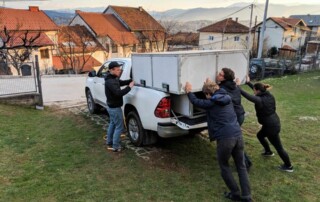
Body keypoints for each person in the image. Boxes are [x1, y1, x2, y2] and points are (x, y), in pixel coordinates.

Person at [185, 81, 252, 202]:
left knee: (224, 165)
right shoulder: (227, 97)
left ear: (208, 94)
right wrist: (208, 83)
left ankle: (235, 193)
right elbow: (215, 91)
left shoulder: (212, 102)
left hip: (225, 139)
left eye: (206, 94)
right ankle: (247, 196)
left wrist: (189, 91)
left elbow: (196, 102)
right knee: (241, 166)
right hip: (238, 135)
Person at [237, 76, 293, 172]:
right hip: (273, 122)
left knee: (279, 147)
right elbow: (257, 91)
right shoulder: (268, 95)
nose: (253, 92)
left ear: (257, 90)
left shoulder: (259, 100)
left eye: (254, 90)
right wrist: (249, 83)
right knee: (260, 135)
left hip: (271, 127)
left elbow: (248, 96)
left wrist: (238, 87)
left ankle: (289, 166)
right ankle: (268, 151)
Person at [215, 67, 252, 170]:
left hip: (234, 117)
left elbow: (215, 98)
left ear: (225, 78)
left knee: (233, 142)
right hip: (240, 115)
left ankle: (245, 163)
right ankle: (246, 162)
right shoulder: (235, 85)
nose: (218, 75)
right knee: (235, 140)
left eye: (221, 74)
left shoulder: (222, 89)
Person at [105, 61, 134, 152]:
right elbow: (118, 93)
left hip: (111, 106)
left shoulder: (113, 78)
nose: (120, 71)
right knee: (119, 127)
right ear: (111, 70)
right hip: (114, 108)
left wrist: (129, 81)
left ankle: (109, 141)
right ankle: (116, 146)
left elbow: (120, 83)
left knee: (113, 124)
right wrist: (129, 87)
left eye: (120, 69)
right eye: (117, 70)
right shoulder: (110, 81)